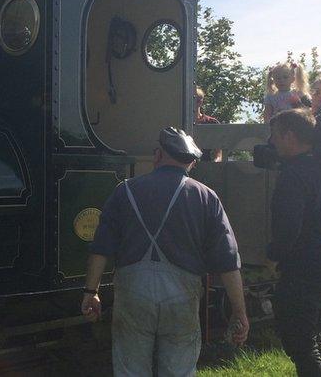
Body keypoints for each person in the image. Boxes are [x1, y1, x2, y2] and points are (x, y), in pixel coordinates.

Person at [82, 128, 248, 376]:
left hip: (133, 293)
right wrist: (239, 312)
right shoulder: (207, 197)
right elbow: (227, 261)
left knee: (131, 370)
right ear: (191, 163)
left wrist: (90, 291)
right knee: (179, 370)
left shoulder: (125, 190)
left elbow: (101, 247)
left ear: (158, 155)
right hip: (182, 295)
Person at [266, 109, 321, 377]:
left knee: (300, 344)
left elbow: (288, 226)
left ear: (289, 136)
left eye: (274, 135)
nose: (271, 141)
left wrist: (273, 257)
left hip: (303, 269)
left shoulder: (293, 174)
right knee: (311, 340)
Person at [194, 86, 222, 162]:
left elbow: (218, 153)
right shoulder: (179, 121)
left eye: (197, 100)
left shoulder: (212, 122)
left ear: (201, 102)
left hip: (205, 164)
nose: (195, 103)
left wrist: (215, 163)